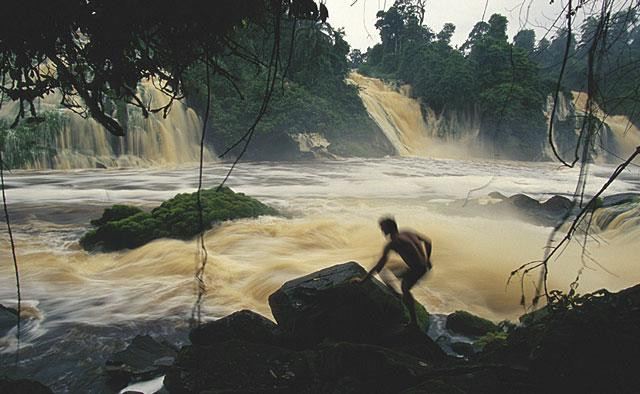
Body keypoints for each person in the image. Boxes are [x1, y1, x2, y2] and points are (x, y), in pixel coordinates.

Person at [354, 217, 432, 329]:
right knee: (389, 268)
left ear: (387, 229)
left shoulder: (393, 243)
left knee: (405, 288)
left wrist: (363, 281)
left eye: (382, 228)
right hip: (423, 266)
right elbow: (428, 241)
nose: (381, 231)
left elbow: (379, 266)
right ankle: (395, 291)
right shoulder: (407, 232)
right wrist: (427, 259)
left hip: (417, 270)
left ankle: (414, 323)